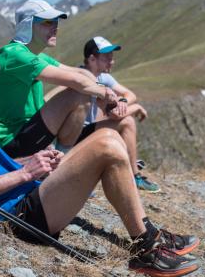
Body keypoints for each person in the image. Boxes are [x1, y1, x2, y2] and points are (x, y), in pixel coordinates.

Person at [0, 46, 200, 277]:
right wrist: (25, 175)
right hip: (21, 216)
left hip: (28, 201)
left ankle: (149, 238)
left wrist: (30, 161)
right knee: (106, 141)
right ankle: (148, 247)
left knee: (110, 140)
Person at [0, 0, 116, 159]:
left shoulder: (34, 55)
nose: (55, 27)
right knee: (79, 94)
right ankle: (63, 160)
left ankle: (60, 158)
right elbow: (76, 81)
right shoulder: (14, 55)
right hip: (9, 142)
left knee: (85, 90)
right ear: (27, 25)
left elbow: (81, 73)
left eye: (56, 22)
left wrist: (102, 90)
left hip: (26, 131)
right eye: (47, 22)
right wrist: (104, 93)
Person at [51, 36, 158, 192]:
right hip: (72, 136)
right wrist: (135, 108)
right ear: (92, 59)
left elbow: (129, 94)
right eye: (107, 57)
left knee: (126, 120)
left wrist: (123, 101)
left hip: (87, 131)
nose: (112, 61)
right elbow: (115, 116)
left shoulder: (103, 77)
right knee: (127, 121)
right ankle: (133, 175)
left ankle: (131, 172)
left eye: (112, 57)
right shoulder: (77, 77)